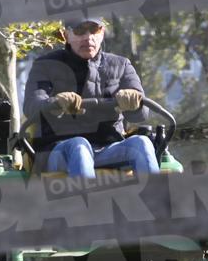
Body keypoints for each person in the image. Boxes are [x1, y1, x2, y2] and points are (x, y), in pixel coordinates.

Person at [21, 16, 159, 180]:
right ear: (66, 35)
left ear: (102, 33)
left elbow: (142, 113)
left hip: (108, 148)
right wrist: (56, 102)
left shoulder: (121, 65)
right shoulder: (45, 65)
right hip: (58, 150)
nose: (88, 37)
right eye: (80, 31)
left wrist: (133, 102)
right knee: (79, 146)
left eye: (94, 30)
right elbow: (32, 105)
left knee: (141, 143)